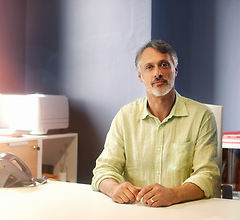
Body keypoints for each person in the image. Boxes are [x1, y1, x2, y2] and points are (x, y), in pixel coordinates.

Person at [91, 40, 220, 207]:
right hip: (135, 212)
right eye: (149, 67)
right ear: (140, 76)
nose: (157, 73)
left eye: (164, 65)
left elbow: (207, 175)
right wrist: (114, 189)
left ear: (175, 71)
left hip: (183, 211)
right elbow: (103, 170)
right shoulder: (125, 116)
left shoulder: (202, 116)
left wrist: (173, 194)